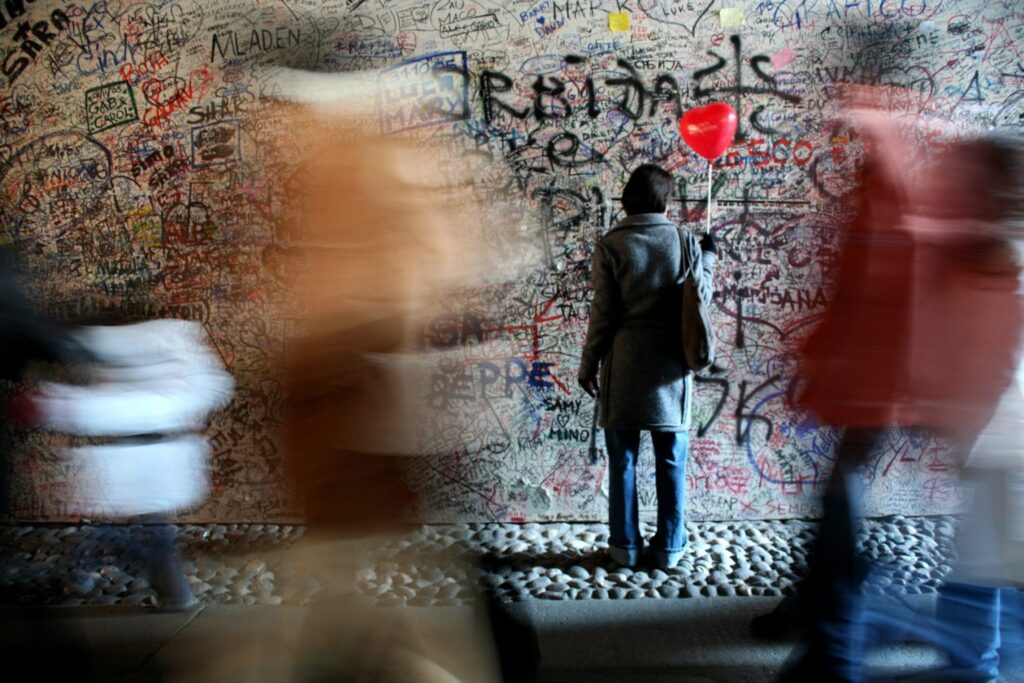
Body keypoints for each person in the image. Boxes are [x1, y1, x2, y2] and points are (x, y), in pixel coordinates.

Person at [578, 164, 716, 569]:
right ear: (664, 200)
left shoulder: (611, 244)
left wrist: (588, 365)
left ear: (628, 197)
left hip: (624, 365)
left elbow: (601, 315)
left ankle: (625, 547)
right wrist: (707, 257)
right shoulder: (684, 240)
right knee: (671, 457)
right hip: (670, 366)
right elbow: (701, 294)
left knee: (623, 460)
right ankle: (670, 547)